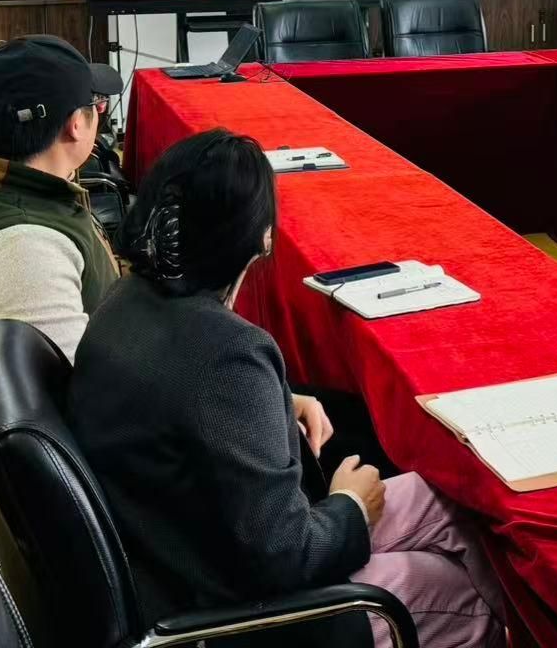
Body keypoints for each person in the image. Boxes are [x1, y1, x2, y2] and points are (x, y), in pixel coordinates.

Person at [69, 130, 504, 648]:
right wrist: (349, 505)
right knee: (458, 591)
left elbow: (184, 404)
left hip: (177, 553)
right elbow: (284, 555)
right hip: (242, 614)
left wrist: (274, 401)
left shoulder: (123, 301)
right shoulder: (228, 352)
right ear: (263, 239)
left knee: (449, 502)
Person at [0, 36, 123, 363]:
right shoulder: (26, 251)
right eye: (97, 104)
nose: (100, 113)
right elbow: (82, 380)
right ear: (75, 125)